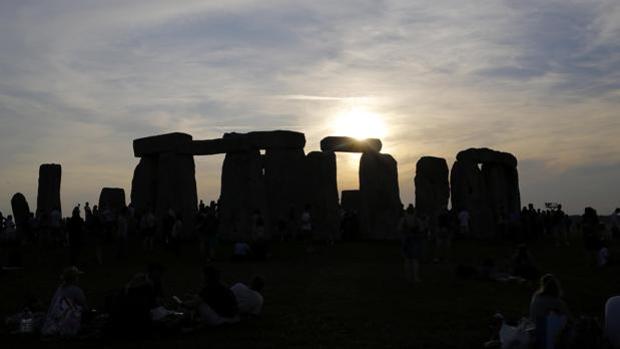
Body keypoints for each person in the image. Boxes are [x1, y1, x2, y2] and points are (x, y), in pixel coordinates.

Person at [42, 266, 88, 336]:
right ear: (74, 278)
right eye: (77, 276)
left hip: (51, 327)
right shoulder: (76, 290)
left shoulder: (59, 289)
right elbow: (85, 308)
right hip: (64, 329)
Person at [529, 274, 571, 347]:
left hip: (534, 325)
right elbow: (569, 318)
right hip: (544, 329)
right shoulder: (556, 302)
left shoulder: (536, 296)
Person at [399, 205, 424, 283]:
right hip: (415, 240)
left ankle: (408, 277)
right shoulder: (417, 219)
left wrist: (404, 233)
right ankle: (415, 277)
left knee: (407, 259)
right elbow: (422, 229)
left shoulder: (404, 219)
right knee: (415, 259)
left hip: (406, 239)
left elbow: (399, 229)